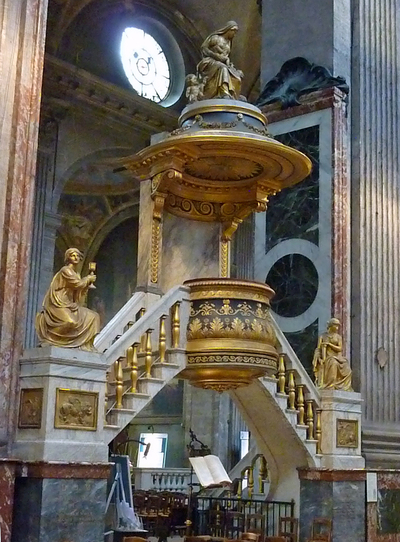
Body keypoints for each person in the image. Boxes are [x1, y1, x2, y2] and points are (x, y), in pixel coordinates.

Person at [35, 248, 100, 351]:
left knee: (94, 317)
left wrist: (85, 288)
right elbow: (77, 284)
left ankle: (86, 346)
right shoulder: (65, 270)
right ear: (68, 258)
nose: (76, 257)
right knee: (70, 322)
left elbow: (78, 293)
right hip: (58, 303)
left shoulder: (77, 274)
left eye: (78, 256)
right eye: (73, 255)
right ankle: (49, 339)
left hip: (70, 304)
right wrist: (88, 279)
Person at [197, 21, 243, 100]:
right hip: (210, 61)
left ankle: (234, 94)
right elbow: (204, 49)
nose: (234, 34)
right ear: (229, 30)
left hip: (222, 63)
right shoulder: (215, 38)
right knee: (223, 69)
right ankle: (223, 92)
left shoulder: (229, 43)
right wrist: (216, 56)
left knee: (238, 76)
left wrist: (228, 62)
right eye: (234, 31)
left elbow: (226, 56)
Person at [312, 318, 353, 391]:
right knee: (333, 363)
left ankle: (342, 387)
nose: (337, 328)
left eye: (338, 326)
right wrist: (319, 358)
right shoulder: (323, 336)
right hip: (328, 357)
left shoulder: (338, 337)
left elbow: (340, 348)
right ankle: (330, 385)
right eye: (335, 326)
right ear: (331, 325)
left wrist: (329, 344)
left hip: (337, 357)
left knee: (347, 369)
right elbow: (318, 349)